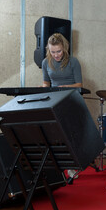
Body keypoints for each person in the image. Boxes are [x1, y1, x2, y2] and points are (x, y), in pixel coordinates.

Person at [41, 33, 83, 179]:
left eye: (58, 51)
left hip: (71, 98)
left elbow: (79, 84)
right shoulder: (46, 62)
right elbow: (46, 82)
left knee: (69, 133)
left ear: (64, 48)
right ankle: (58, 165)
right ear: (48, 50)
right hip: (54, 100)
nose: (56, 55)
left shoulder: (73, 61)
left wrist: (65, 86)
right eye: (53, 52)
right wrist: (43, 88)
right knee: (55, 134)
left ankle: (72, 165)